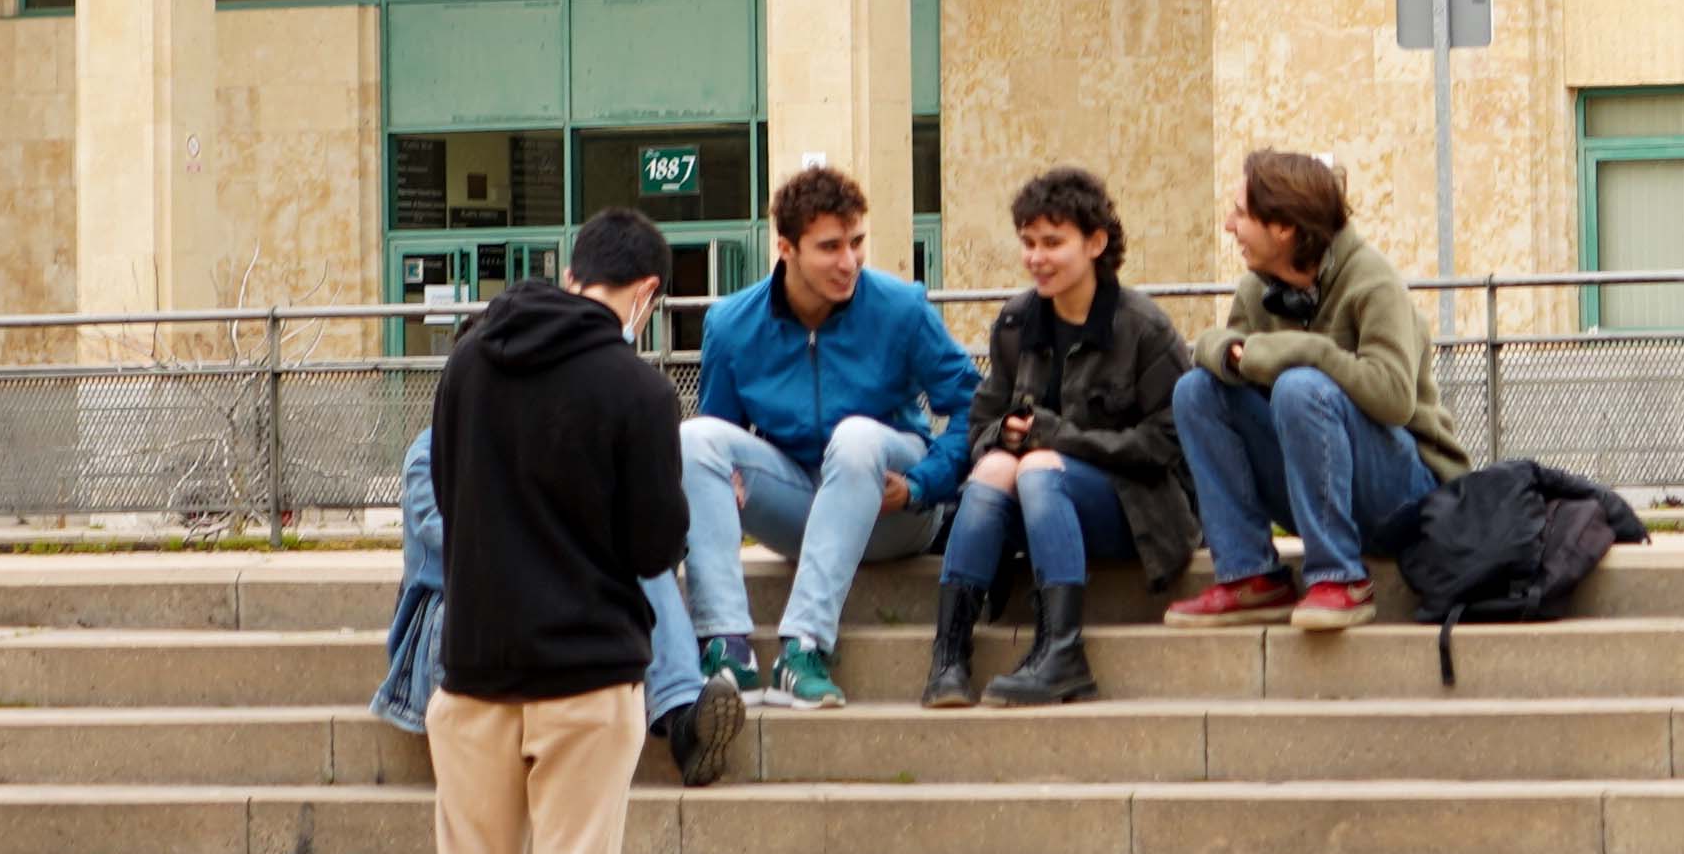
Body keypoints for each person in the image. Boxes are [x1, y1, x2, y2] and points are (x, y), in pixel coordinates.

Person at [413, 205, 688, 854]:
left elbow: (448, 496)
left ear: (575, 271)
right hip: (588, 675)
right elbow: (656, 544)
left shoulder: (470, 363)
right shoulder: (638, 392)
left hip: (475, 668)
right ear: (646, 293)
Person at [675, 165, 977, 709]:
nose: (850, 262)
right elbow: (720, 432)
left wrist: (922, 484)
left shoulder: (901, 308)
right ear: (786, 248)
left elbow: (971, 408)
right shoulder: (730, 324)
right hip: (798, 505)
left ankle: (804, 648)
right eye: (830, 247)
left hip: (894, 508)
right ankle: (726, 648)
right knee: (695, 439)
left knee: (858, 434)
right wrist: (724, 486)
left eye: (857, 242)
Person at [925, 164, 1199, 706]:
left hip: (1137, 512)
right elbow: (978, 426)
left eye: (1053, 242)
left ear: (1095, 243)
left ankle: (1063, 653)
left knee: (1036, 464)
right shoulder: (1016, 323)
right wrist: (1003, 434)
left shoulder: (1144, 328)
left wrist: (1059, 440)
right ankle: (949, 657)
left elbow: (1168, 446)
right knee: (999, 464)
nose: (1036, 257)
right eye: (1028, 242)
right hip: (1035, 506)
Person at [1163, 147, 1466, 629]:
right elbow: (1221, 351)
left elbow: (1393, 398)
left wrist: (1307, 353)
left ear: (1283, 227)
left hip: (1407, 495)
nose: (1227, 225)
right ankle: (1250, 576)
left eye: (1241, 214)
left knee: (1300, 387)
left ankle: (1342, 579)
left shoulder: (1372, 280)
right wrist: (1228, 353)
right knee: (1196, 391)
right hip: (1319, 483)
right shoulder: (1255, 289)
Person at [398, 418, 741, 789]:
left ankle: (684, 718)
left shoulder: (550, 444)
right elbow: (470, 554)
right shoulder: (431, 454)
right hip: (457, 627)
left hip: (551, 617)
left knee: (640, 561)